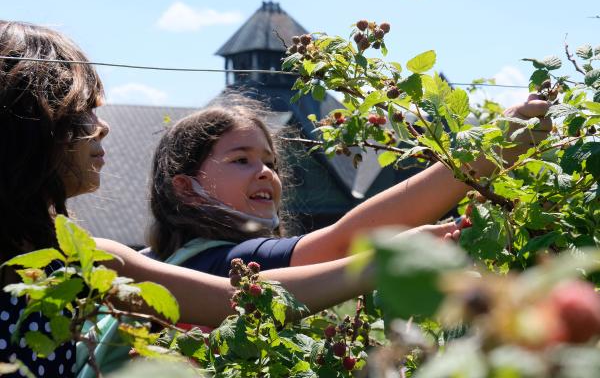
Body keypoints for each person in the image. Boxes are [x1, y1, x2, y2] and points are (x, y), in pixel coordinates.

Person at [0, 20, 385, 377]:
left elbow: (233, 300)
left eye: (270, 162)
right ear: (28, 126)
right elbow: (250, 295)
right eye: (80, 112)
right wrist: (390, 258)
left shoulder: (84, 260)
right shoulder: (91, 261)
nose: (102, 127)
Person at [146, 89, 550, 276]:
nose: (265, 172)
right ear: (186, 189)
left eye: (269, 162)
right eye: (240, 160)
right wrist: (487, 153)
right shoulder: (225, 263)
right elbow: (345, 241)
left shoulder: (166, 263)